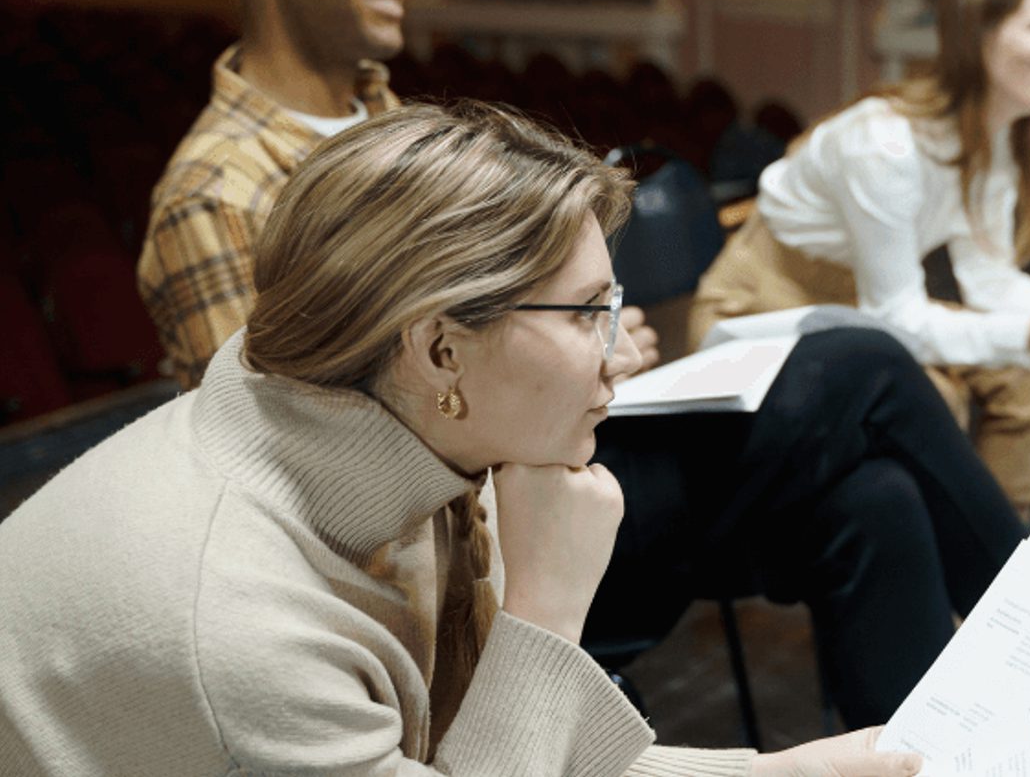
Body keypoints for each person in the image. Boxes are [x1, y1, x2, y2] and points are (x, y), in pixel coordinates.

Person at [137, 0, 1029, 729]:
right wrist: (550, 367)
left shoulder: (393, 123)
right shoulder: (216, 193)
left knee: (875, 500)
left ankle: (930, 755)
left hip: (549, 451)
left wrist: (576, 344)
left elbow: (483, 335)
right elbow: (294, 472)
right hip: (478, 540)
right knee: (861, 364)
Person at [0, 101, 929, 776]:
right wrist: (548, 610)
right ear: (441, 347)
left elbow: (495, 752)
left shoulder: (391, 425)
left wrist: (776, 776)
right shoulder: (246, 628)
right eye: (586, 315)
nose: (618, 355)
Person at [688, 0, 1030, 520]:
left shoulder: (998, 135)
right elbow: (895, 317)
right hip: (763, 304)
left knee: (1028, 366)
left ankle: (998, 568)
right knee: (932, 397)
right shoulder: (885, 145)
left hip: (858, 304)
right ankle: (930, 574)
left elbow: (988, 276)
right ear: (978, 36)